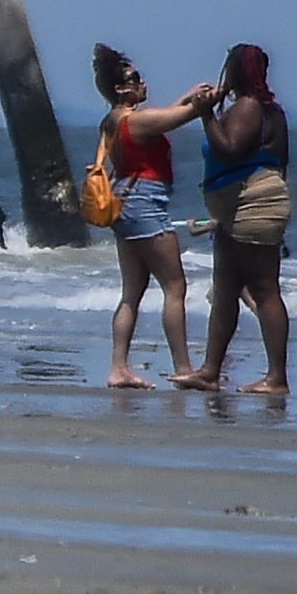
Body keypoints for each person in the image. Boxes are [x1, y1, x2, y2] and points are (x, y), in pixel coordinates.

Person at [90, 44, 215, 388]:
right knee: (175, 286)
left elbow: (163, 119)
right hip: (144, 202)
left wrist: (187, 96)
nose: (143, 83)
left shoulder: (113, 120)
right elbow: (177, 119)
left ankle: (119, 367)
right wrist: (217, 93)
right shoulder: (137, 121)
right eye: (135, 79)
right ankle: (184, 367)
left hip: (123, 201)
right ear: (120, 89)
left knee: (132, 289)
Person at [181, 42, 291, 395]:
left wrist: (206, 115)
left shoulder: (249, 106)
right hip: (242, 205)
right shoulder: (271, 110)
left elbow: (228, 147)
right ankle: (210, 371)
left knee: (264, 289)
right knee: (226, 288)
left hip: (251, 202)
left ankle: (277, 377)